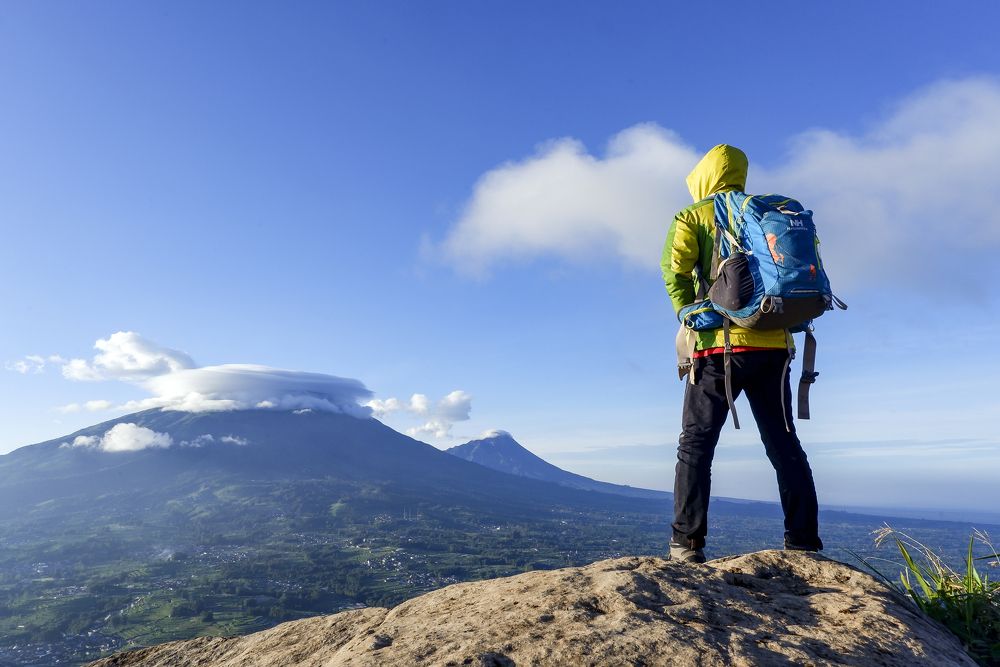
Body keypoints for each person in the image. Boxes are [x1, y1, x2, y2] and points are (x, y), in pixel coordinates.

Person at [660, 144, 822, 563]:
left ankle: (686, 543)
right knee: (784, 444)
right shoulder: (775, 212)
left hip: (718, 348)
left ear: (703, 177)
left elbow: (674, 271)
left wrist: (687, 312)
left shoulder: (693, 216)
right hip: (775, 345)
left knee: (695, 445)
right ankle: (803, 541)